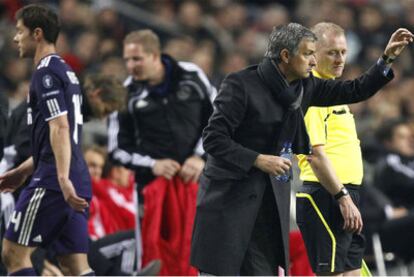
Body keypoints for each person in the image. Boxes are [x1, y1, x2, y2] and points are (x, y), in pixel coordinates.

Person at [190, 22, 412, 275]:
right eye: (308, 54)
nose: (314, 62)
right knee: (220, 271)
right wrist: (258, 159)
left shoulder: (306, 86)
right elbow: (213, 139)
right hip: (230, 196)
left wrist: (386, 59)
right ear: (286, 56)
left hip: (269, 200)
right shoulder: (241, 84)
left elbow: (356, 89)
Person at [0, 5, 125, 276]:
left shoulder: (45, 73)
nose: (15, 38)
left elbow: (60, 127)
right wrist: (22, 172)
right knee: (75, 266)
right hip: (71, 177)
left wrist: (61, 178)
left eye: (19, 32)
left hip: (54, 180)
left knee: (13, 254)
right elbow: (58, 136)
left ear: (37, 34)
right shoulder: (67, 72)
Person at [108, 29, 214, 195]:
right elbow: (116, 150)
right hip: (151, 188)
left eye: (137, 59)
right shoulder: (126, 94)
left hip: (200, 181)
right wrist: (152, 165)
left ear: (155, 56)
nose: (130, 66)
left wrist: (200, 156)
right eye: (127, 60)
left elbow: (218, 119)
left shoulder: (192, 76)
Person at [295, 22, 364, 275]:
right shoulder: (312, 95)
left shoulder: (333, 93)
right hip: (326, 195)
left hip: (345, 194)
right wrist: (341, 196)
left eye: (343, 52)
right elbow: (314, 155)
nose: (339, 59)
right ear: (314, 54)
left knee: (352, 271)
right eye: (332, 52)